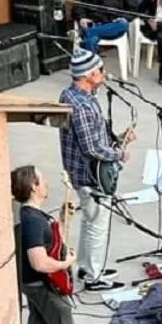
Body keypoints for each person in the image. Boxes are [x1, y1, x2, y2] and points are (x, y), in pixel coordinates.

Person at [12, 165, 102, 324]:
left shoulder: (31, 216)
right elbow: (40, 262)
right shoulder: (32, 221)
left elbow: (49, 241)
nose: (46, 184)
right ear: (33, 186)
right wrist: (67, 263)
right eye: (42, 180)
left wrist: (62, 220)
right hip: (44, 285)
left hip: (31, 285)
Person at [59, 49, 134, 292]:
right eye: (100, 69)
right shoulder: (80, 105)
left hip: (85, 171)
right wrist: (119, 154)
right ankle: (93, 276)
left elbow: (93, 137)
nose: (104, 73)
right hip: (89, 175)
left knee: (90, 222)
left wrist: (120, 139)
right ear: (89, 74)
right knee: (98, 224)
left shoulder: (75, 95)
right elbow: (91, 148)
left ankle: (86, 266)